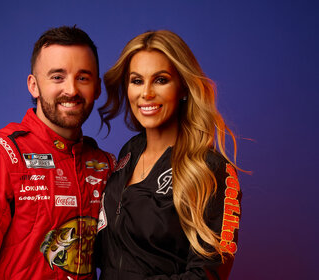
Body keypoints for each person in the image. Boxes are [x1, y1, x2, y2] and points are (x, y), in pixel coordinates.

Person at [0, 26, 115, 280]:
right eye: (57, 77)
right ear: (34, 85)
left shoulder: (104, 164)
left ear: (97, 88)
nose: (71, 90)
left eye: (83, 78)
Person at [96, 30, 242, 279]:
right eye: (137, 81)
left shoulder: (211, 170)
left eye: (161, 80)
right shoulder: (129, 153)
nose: (147, 93)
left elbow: (207, 275)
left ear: (183, 88)